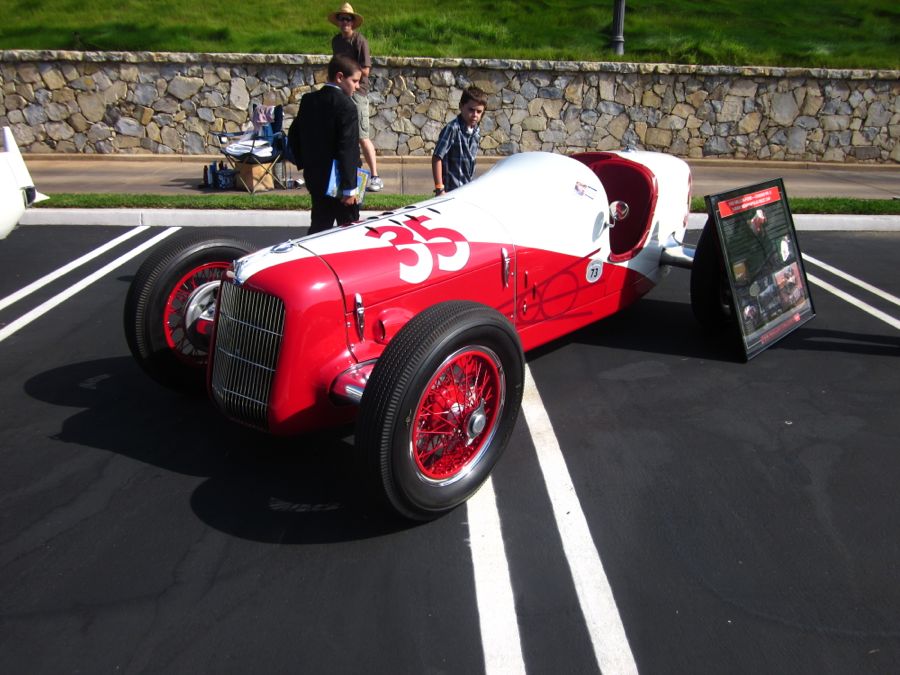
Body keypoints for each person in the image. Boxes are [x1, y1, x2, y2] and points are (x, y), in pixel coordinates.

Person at [290, 55, 362, 235]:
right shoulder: (347, 106)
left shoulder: (309, 100)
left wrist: (304, 163)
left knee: (319, 230)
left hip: (316, 179)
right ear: (339, 77)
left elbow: (294, 135)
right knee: (350, 232)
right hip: (340, 184)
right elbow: (347, 149)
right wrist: (349, 189)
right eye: (354, 81)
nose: (357, 86)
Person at [329, 2, 384, 192]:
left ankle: (375, 176)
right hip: (340, 92)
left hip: (358, 92)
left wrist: (350, 75)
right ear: (338, 22)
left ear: (353, 22)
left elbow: (366, 70)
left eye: (348, 19)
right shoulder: (336, 41)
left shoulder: (360, 41)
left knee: (362, 135)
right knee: (341, 133)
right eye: (342, 19)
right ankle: (348, 171)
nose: (345, 22)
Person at [431, 86, 487, 196]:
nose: (475, 115)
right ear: (461, 106)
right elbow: (437, 157)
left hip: (466, 191)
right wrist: (439, 188)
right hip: (450, 191)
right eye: (471, 110)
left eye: (479, 112)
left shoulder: (476, 132)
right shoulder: (452, 129)